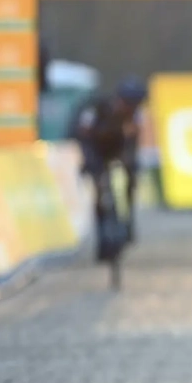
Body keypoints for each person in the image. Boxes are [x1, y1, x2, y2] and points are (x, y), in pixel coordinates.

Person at [72, 75, 147, 260]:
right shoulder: (98, 109)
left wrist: (130, 163)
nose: (130, 110)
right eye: (128, 104)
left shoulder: (134, 117)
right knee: (100, 190)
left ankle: (128, 221)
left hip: (117, 150)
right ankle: (102, 240)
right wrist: (90, 164)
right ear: (120, 100)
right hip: (95, 150)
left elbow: (132, 144)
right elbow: (83, 137)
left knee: (130, 177)